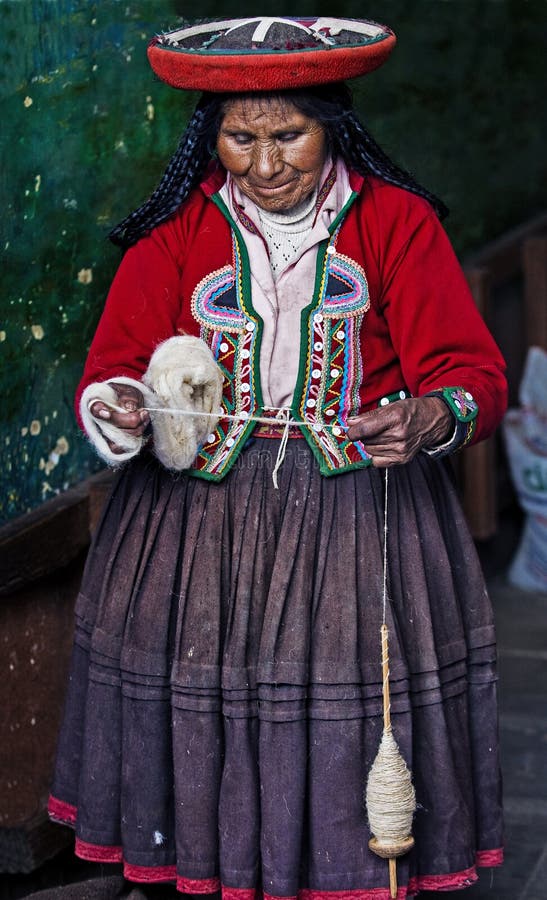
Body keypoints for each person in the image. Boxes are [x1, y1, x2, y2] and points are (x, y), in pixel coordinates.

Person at [48, 17, 506, 900]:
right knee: (205, 706)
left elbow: (471, 372)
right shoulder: (178, 229)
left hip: (357, 513)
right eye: (239, 138)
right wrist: (123, 404)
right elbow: (113, 363)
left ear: (333, 126)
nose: (263, 166)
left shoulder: (395, 224)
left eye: (286, 135)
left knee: (337, 703)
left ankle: (337, 877)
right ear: (209, 137)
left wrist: (429, 414)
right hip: (194, 526)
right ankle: (204, 871)